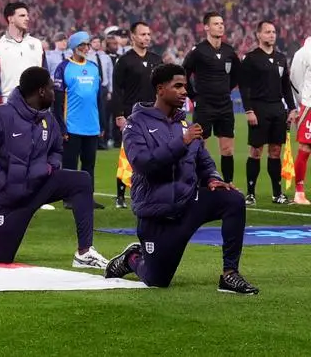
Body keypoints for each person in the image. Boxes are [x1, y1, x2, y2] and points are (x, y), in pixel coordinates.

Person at [105, 63, 258, 294]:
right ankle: (132, 259)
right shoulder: (135, 124)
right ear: (160, 89)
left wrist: (213, 179)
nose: (185, 91)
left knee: (233, 200)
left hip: (188, 203)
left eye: (185, 86)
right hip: (157, 213)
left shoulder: (185, 123)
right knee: (157, 280)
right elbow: (144, 164)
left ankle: (230, 274)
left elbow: (203, 161)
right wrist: (182, 141)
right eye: (178, 86)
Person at [0, 66, 108, 269]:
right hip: (8, 197)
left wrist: (49, 168)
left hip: (39, 186)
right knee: (3, 257)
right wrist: (1, 182)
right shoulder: (1, 115)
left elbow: (56, 149)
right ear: (41, 91)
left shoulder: (48, 119)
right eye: (52, 89)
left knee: (81, 180)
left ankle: (84, 252)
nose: (55, 93)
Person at [237, 21, 297, 206]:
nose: (272, 35)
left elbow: (286, 86)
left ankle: (277, 194)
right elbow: (244, 86)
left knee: (275, 152)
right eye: (268, 32)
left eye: (274, 32)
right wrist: (248, 110)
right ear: (259, 35)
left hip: (277, 109)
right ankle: (250, 194)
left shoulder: (280, 58)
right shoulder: (251, 58)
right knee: (256, 151)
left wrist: (292, 108)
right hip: (258, 108)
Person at [182, 11, 241, 184]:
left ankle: (228, 184)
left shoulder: (229, 51)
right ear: (206, 27)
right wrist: (193, 96)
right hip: (205, 105)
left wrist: (225, 89)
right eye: (216, 23)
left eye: (222, 23)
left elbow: (238, 74)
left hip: (224, 105)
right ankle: (201, 184)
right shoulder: (198, 51)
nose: (220, 26)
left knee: (228, 149)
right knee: (201, 146)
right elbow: (183, 73)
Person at [112, 21, 162, 208]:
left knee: (155, 154)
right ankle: (120, 195)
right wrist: (119, 115)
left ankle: (152, 192)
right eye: (142, 34)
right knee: (128, 154)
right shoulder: (124, 61)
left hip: (154, 114)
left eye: (148, 34)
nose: (147, 37)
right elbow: (117, 90)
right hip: (132, 114)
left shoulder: (157, 60)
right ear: (133, 36)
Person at [53, 32, 105, 208]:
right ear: (74, 47)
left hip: (91, 125)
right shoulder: (63, 68)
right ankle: (68, 198)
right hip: (72, 126)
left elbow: (99, 98)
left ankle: (87, 197)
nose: (86, 48)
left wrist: (102, 123)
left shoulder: (93, 67)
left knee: (89, 165)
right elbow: (58, 102)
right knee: (70, 165)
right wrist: (61, 127)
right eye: (82, 45)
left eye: (87, 45)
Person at [0, 2, 46, 105]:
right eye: (22, 15)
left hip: (35, 103)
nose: (27, 18)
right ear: (10, 19)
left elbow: (45, 76)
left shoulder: (37, 44)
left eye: (27, 15)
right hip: (8, 103)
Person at [291, 34, 311, 205]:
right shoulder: (304, 52)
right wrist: (303, 101)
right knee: (305, 147)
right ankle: (299, 193)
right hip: (309, 106)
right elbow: (295, 79)